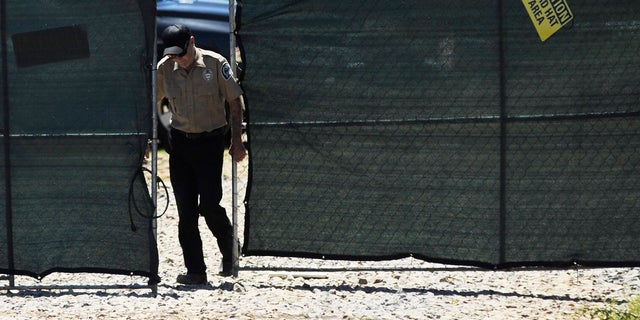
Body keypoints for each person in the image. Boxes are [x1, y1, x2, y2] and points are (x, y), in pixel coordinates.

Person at [156, 24, 247, 284]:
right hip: (180, 144)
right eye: (173, 55)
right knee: (186, 212)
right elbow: (151, 101)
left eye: (181, 53)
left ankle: (230, 248)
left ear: (192, 42)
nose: (178, 59)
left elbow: (234, 100)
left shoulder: (215, 63)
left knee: (208, 205)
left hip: (210, 143)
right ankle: (195, 271)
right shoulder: (165, 68)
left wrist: (237, 141)